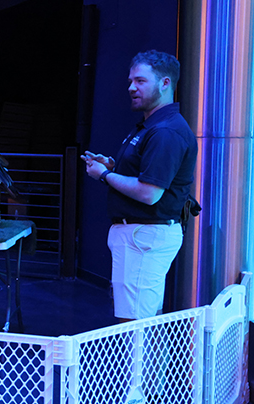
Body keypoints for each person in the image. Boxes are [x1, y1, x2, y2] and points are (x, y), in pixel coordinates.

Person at [82, 50, 198, 322]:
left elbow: (149, 193)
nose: (131, 88)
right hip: (141, 236)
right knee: (145, 321)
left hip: (143, 238)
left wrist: (103, 175)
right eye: (130, 81)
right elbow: (145, 176)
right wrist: (112, 167)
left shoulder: (165, 131)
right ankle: (148, 367)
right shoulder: (153, 126)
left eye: (140, 81)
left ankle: (140, 368)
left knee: (135, 325)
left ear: (165, 83)